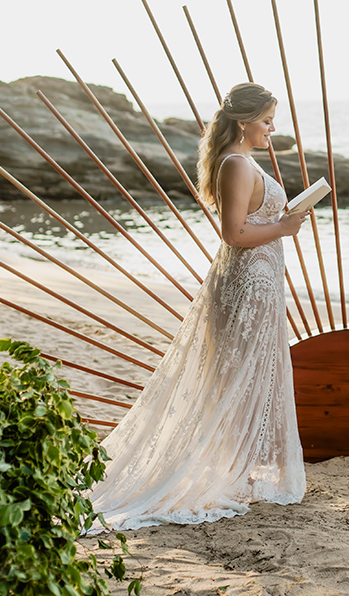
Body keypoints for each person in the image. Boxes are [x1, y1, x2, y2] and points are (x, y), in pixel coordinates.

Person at [88, 82, 309, 530]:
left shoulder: (240, 162)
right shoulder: (236, 164)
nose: (272, 129)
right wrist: (284, 228)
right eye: (267, 121)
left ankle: (242, 468)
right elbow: (234, 234)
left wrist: (280, 221)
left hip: (257, 281)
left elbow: (247, 222)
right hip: (249, 282)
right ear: (245, 122)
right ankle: (234, 470)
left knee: (249, 372)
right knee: (239, 373)